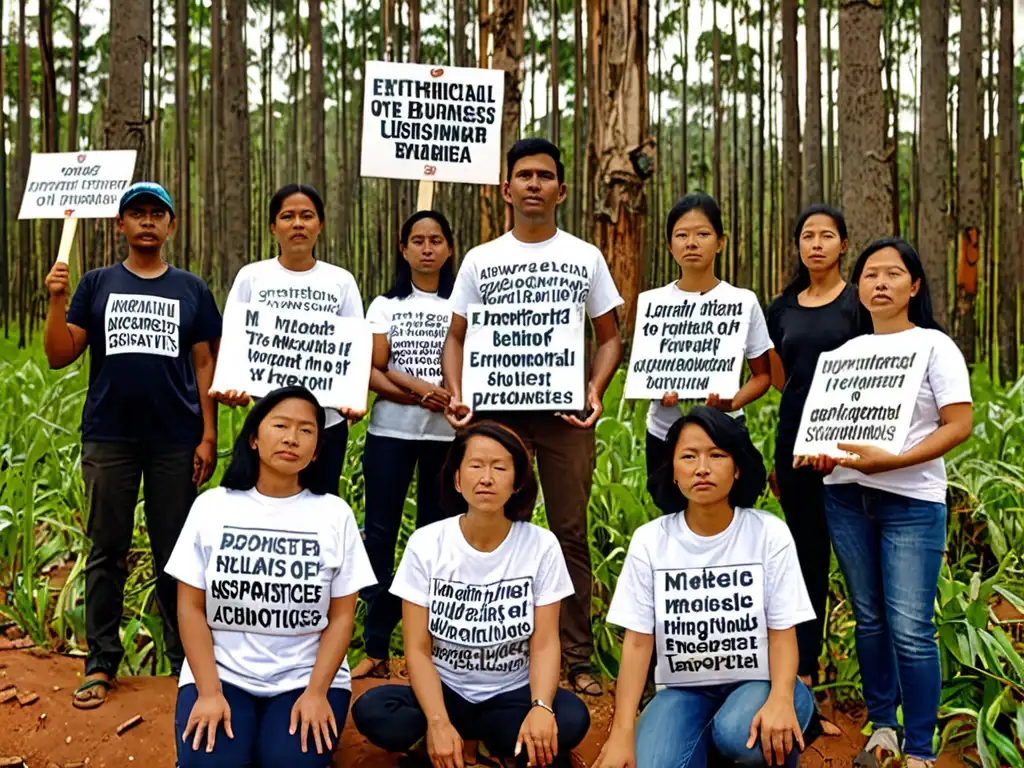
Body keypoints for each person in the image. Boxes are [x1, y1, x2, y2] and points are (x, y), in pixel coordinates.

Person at [441, 137, 624, 695]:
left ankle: (575, 655)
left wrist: (595, 388)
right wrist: (455, 392)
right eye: (524, 175)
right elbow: (455, 337)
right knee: (496, 524)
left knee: (568, 529)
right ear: (506, 189)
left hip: (564, 415)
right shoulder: (481, 259)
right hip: (496, 415)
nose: (535, 184)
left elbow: (610, 336)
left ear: (561, 190)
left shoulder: (584, 256)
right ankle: (496, 648)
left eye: (545, 176)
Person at [43, 182, 222, 709]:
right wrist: (57, 299)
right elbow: (59, 354)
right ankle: (100, 661)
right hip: (109, 436)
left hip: (175, 438)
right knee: (106, 550)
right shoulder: (97, 284)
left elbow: (204, 361)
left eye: (156, 214)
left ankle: (182, 663)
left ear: (170, 226)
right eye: (136, 214)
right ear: (119, 225)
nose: (147, 222)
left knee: (175, 555)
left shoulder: (191, 288)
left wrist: (208, 434)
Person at [809, 238, 972, 768]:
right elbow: (827, 431)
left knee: (911, 628)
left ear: (914, 285)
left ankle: (921, 747)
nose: (880, 283)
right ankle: (883, 727)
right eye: (870, 274)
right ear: (858, 287)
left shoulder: (935, 346)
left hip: (911, 502)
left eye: (893, 274)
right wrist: (819, 455)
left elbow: (960, 425)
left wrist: (893, 461)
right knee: (870, 620)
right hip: (847, 499)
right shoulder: (843, 356)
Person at [351, 421, 591, 767]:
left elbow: (544, 643)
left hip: (511, 693)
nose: (487, 478)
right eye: (476, 466)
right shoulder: (427, 544)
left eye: (499, 467)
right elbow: (416, 649)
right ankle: (464, 741)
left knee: (570, 718)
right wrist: (436, 720)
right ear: (457, 479)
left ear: (518, 481)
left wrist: (540, 706)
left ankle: (482, 744)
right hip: (446, 691)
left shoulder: (541, 545)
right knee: (375, 711)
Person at [166, 386, 376, 766]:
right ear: (253, 438)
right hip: (223, 673)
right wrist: (210, 692)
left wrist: (316, 692)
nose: (291, 438)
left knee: (289, 761)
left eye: (306, 430)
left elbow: (343, 615)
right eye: (280, 425)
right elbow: (191, 607)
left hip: (305, 677)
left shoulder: (334, 514)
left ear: (317, 449)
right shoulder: (212, 507)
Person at [595, 406, 816, 768]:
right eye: (689, 457)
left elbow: (782, 631)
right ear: (673, 472)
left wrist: (780, 697)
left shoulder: (768, 533)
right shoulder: (650, 541)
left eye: (717, 455)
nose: (702, 468)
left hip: (761, 683)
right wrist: (621, 733)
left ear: (737, 467)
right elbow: (637, 642)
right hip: (683, 692)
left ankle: (778, 722)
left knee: (740, 735)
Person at [352, 210, 458, 679]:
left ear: (449, 249)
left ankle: (430, 644)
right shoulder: (384, 304)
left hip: (447, 438)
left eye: (436, 240)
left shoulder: (462, 303)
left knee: (435, 538)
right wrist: (421, 393)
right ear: (403, 249)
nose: (427, 248)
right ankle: (375, 644)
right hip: (389, 434)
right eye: (417, 240)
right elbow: (373, 370)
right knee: (380, 535)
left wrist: (445, 402)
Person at [765, 204, 859, 727]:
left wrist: (837, 426)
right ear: (798, 245)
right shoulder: (780, 308)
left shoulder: (857, 304)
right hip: (796, 447)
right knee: (807, 562)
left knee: (856, 557)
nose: (816, 244)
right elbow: (782, 376)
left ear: (844, 244)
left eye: (827, 236)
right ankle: (805, 678)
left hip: (852, 448)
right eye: (807, 236)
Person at [212, 183, 364, 496]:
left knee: (319, 503)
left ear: (319, 225)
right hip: (267, 418)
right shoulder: (251, 277)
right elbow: (234, 340)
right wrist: (231, 384)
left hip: (327, 423)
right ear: (273, 226)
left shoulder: (341, 281)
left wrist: (353, 399)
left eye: (307, 216)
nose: (297, 224)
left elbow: (354, 351)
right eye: (287, 216)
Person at [645, 192, 772, 479]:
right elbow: (645, 373)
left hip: (724, 428)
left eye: (703, 233)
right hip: (664, 433)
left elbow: (762, 376)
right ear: (669, 245)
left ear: (720, 242)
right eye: (681, 235)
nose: (691, 243)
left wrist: (734, 402)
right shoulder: (652, 303)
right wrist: (656, 391)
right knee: (672, 514)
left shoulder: (742, 301)